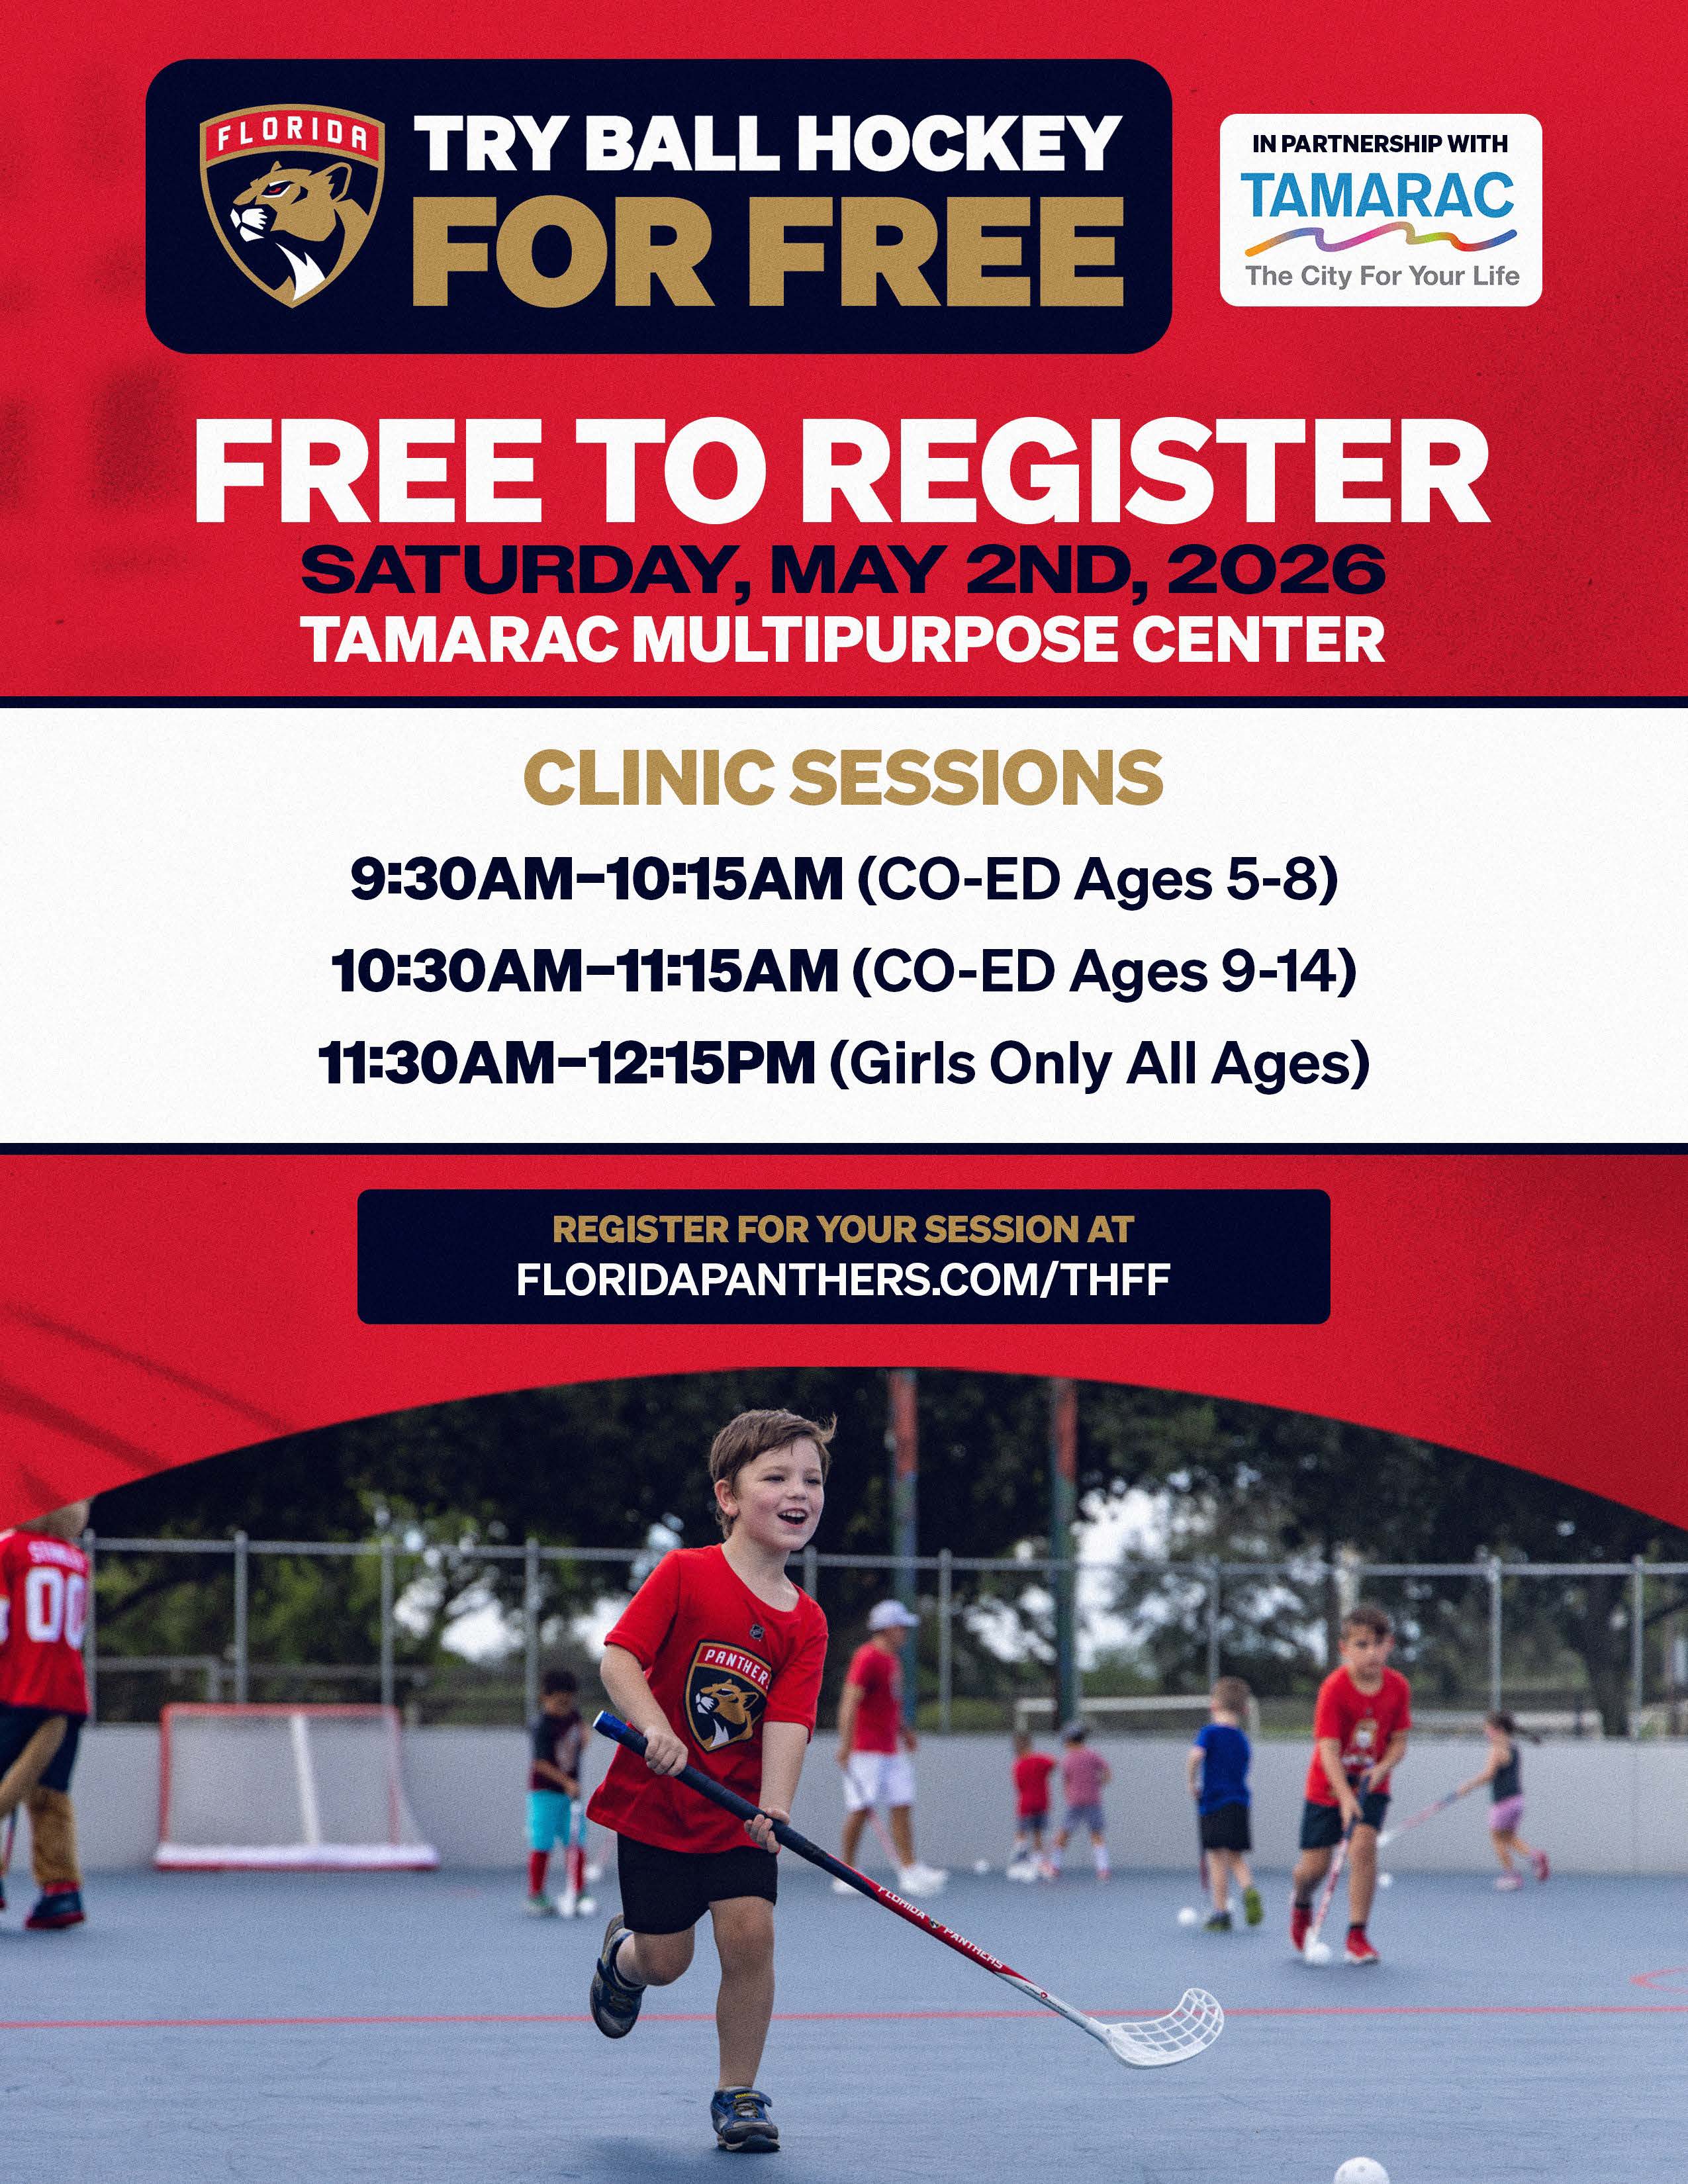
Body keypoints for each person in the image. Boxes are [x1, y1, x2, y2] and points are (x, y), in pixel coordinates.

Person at [585, 1409, 831, 2154]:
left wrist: (776, 1807)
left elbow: (789, 1719)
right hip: (658, 1807)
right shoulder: (685, 1574)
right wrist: (655, 1726)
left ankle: (739, 2094)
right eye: (778, 1477)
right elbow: (619, 1659)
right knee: (667, 1961)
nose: (800, 1493)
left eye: (813, 1480)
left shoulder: (806, 1621)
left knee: (751, 1935)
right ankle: (620, 1958)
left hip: (737, 1813)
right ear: (727, 1496)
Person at [1290, 1602, 1412, 1966]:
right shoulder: (1334, 1689)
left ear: (1389, 1645)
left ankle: (1357, 1935)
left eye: (1377, 1644)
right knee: (1313, 1869)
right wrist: (1344, 1796)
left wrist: (1383, 1768)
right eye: (1361, 1645)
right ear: (1344, 1648)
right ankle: (1300, 1903)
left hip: (1371, 1783)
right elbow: (1327, 1750)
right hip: (1327, 1786)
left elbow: (1399, 1740)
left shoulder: (1398, 1687)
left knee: (1363, 1849)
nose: (1371, 1652)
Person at [0, 1500, 93, 1930]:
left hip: (20, 1687)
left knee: (5, 1785)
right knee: (50, 1791)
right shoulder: (77, 1559)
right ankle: (61, 1891)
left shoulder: (10, 1547)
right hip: (68, 1692)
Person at [833, 1598, 946, 1897]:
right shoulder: (866, 1657)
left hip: (890, 1749)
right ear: (887, 1628)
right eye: (901, 1627)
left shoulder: (892, 1661)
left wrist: (905, 1732)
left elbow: (890, 1705)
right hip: (866, 1750)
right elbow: (850, 1702)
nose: (906, 1632)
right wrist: (845, 1745)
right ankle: (845, 1871)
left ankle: (909, 1868)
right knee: (860, 1809)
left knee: (902, 1804)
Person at [1187, 1675, 1262, 1930]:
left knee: (1217, 1858)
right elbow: (1246, 1766)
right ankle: (1249, 1889)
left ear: (1213, 1705)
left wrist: (1191, 1781)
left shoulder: (1209, 1733)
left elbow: (1196, 1756)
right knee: (1235, 1857)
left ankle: (1221, 1913)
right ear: (1243, 1709)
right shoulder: (1242, 1738)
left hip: (1213, 1803)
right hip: (1240, 1802)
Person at [1458, 1711, 1550, 1889]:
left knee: (1496, 1839)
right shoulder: (1514, 1747)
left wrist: (1468, 1785)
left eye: (1487, 1729)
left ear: (1497, 1729)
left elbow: (1490, 1774)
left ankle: (1512, 1876)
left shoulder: (1496, 1748)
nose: (1486, 1732)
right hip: (1518, 1800)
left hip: (1503, 1802)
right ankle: (1535, 1856)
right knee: (1509, 1837)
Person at [526, 1668, 588, 1915]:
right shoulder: (542, 1725)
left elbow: (581, 1735)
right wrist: (566, 1782)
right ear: (545, 1698)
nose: (565, 1707)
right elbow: (539, 1763)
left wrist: (585, 1737)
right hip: (544, 1793)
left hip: (570, 1795)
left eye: (569, 1701)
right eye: (559, 1702)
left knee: (576, 1841)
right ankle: (536, 1894)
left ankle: (579, 1890)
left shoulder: (573, 1716)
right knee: (542, 1842)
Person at [1052, 1718, 1111, 1880]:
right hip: (1092, 1800)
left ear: (1069, 1740)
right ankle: (1103, 1869)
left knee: (1064, 1833)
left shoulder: (1068, 1759)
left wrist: (1069, 1795)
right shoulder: (1092, 1755)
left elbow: (1067, 1781)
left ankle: (1055, 1866)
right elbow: (1107, 1772)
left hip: (1076, 1802)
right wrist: (1098, 1785)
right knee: (1096, 1834)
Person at [1008, 1727, 1058, 1880]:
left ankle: (1020, 1860)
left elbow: (1018, 1785)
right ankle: (1033, 1861)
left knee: (1023, 1832)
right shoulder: (1039, 1760)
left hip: (1026, 1804)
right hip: (1041, 1803)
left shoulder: (1018, 1765)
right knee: (1037, 1833)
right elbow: (1054, 1763)